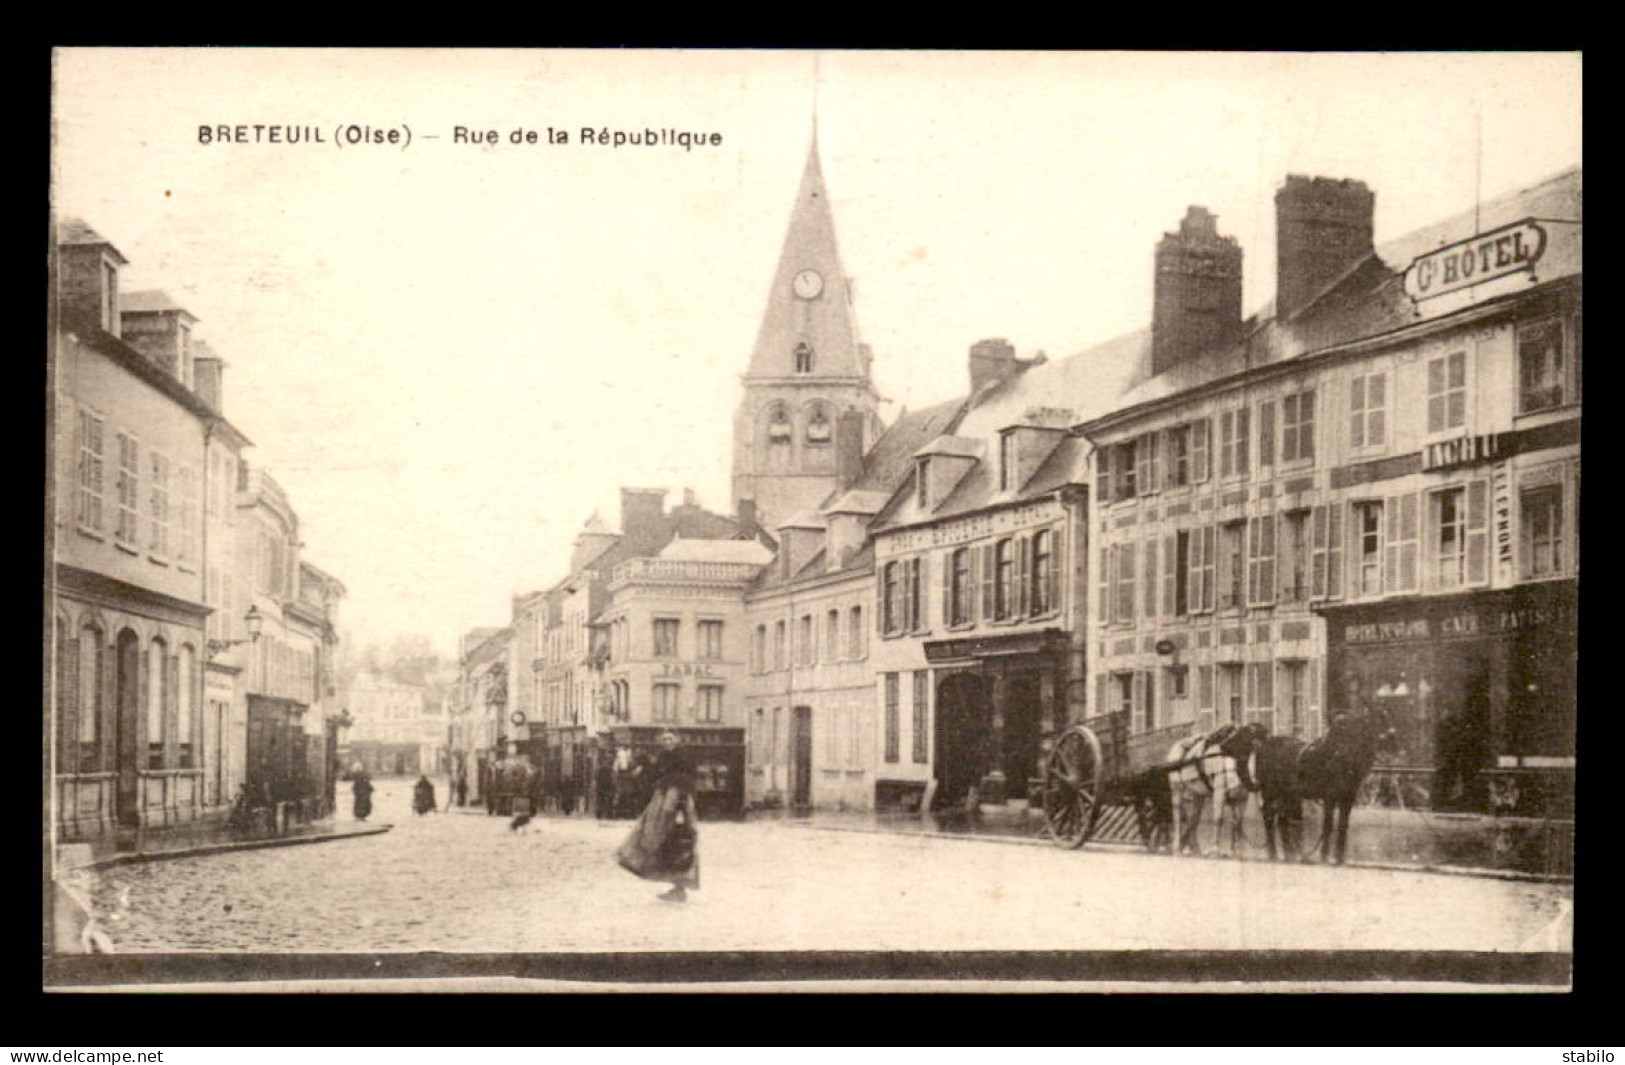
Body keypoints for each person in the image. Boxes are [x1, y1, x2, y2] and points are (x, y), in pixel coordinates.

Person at [615, 731, 700, 902]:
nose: (667, 742)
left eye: (670, 739)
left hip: (674, 816)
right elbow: (653, 774)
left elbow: (678, 800)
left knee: (676, 847)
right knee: (665, 844)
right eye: (664, 739)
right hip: (665, 809)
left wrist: (677, 815)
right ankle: (675, 886)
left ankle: (679, 888)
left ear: (677, 739)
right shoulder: (663, 760)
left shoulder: (679, 774)